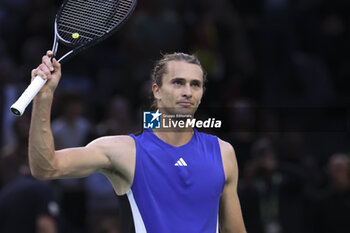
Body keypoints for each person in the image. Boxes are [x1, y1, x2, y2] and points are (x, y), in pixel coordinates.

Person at [29, 50, 247, 233]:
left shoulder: (223, 152)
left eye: (195, 85)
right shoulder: (124, 151)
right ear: (157, 91)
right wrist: (44, 98)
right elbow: (46, 167)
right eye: (178, 83)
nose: (188, 92)